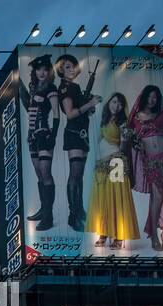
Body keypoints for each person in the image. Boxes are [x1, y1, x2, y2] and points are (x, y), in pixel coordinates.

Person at [56, 53, 101, 230]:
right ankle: (73, 215)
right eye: (67, 67)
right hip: (74, 134)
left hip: (81, 134)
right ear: (60, 70)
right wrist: (89, 105)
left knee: (79, 175)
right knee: (75, 174)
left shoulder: (74, 87)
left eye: (73, 66)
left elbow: (80, 111)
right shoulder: (66, 88)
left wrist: (89, 107)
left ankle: (79, 210)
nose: (72, 69)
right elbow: (70, 113)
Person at [24, 54, 62, 231]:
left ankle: (48, 216)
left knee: (46, 173)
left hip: (44, 134)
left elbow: (56, 114)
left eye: (46, 69)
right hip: (32, 136)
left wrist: (52, 136)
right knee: (39, 173)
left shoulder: (51, 88)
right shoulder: (33, 88)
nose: (42, 72)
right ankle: (43, 209)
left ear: (49, 72)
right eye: (39, 69)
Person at [130, 85, 163, 249]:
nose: (152, 100)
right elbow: (129, 140)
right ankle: (154, 236)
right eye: (150, 96)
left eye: (155, 97)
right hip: (152, 162)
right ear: (144, 97)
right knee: (157, 198)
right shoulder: (135, 118)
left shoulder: (161, 115)